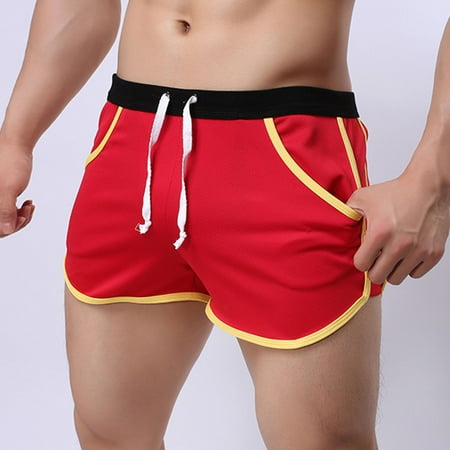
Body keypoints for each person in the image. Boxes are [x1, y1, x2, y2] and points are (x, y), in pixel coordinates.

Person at [0, 1, 448, 448]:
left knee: (324, 441)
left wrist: (434, 179)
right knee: (108, 433)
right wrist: (15, 139)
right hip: (133, 143)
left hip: (284, 152)